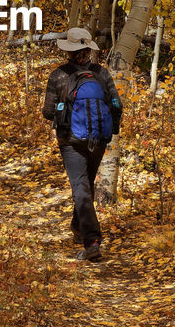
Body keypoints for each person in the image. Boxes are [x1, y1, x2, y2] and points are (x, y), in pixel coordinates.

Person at [42, 27, 122, 262]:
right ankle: (78, 228)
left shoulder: (58, 75)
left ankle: (92, 242)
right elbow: (117, 105)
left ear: (69, 50)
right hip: (98, 139)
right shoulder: (102, 74)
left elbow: (48, 112)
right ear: (88, 49)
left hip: (70, 140)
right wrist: (110, 131)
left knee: (80, 188)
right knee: (85, 185)